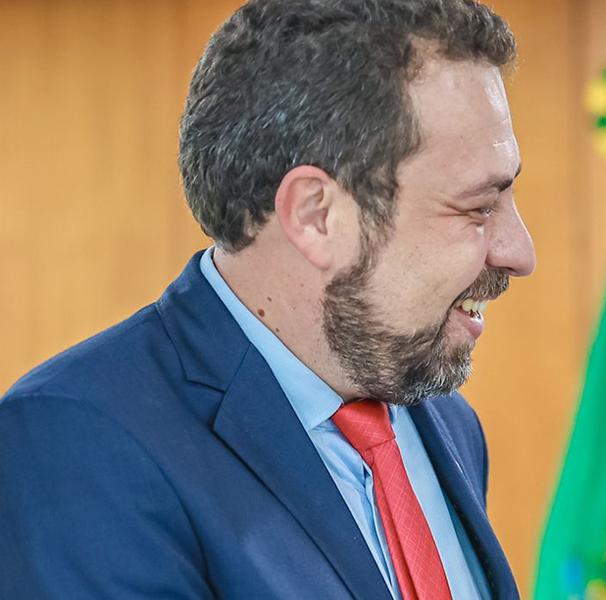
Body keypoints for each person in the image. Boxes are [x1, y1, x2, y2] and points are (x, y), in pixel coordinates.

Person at [0, 1, 534, 598]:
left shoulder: (448, 425)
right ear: (316, 215)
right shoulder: (78, 443)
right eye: (478, 206)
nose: (520, 252)